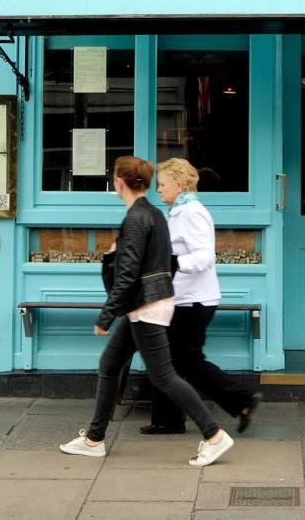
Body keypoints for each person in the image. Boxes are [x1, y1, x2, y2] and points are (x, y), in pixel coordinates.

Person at [59, 156, 235, 467]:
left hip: (147, 306)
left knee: (164, 376)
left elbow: (128, 275)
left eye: (115, 178)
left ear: (120, 183)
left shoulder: (137, 218)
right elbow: (155, 260)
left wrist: (105, 316)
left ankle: (214, 436)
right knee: (110, 363)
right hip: (145, 303)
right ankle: (94, 439)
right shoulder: (152, 213)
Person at [140, 158, 262, 436]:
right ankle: (168, 419)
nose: (158, 190)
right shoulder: (179, 211)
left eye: (162, 184)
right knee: (171, 359)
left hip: (193, 301)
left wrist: (171, 264)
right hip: (183, 298)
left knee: (183, 361)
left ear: (180, 185)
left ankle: (241, 398)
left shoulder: (192, 212)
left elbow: (205, 256)